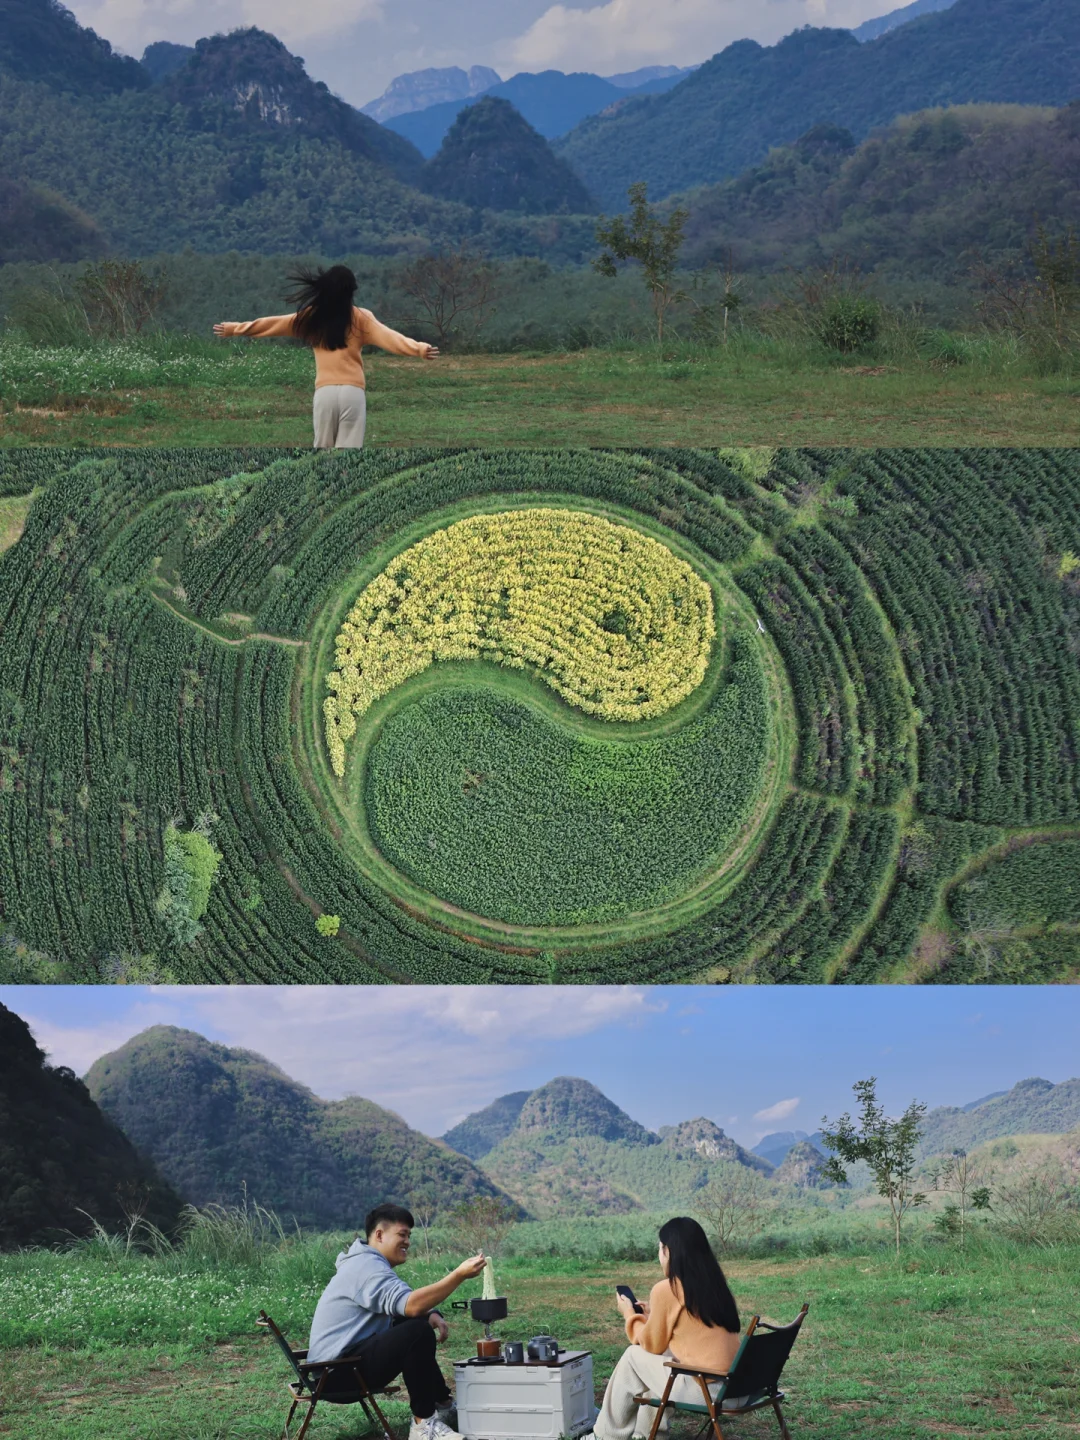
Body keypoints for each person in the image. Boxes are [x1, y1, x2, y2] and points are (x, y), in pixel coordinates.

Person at [306, 1202, 486, 1440]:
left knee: (411, 1325)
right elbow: (411, 1305)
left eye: (409, 1235)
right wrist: (458, 1275)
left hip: (337, 1368)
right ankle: (423, 1426)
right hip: (337, 1375)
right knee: (416, 1332)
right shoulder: (365, 1267)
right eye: (402, 1234)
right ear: (379, 1235)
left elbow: (399, 1304)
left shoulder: (365, 1263)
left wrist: (430, 1313)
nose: (407, 1242)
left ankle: (442, 1404)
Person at [213, 265, 438, 449]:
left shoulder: (312, 317)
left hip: (324, 394)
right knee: (348, 454)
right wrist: (419, 348)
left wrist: (235, 329)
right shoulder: (361, 318)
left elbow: (273, 324)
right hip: (353, 393)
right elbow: (391, 338)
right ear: (351, 291)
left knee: (322, 452)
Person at [590, 1217, 742, 1440]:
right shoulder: (713, 1285)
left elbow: (651, 1345)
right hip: (739, 1388)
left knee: (633, 1356)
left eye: (660, 1248)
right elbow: (687, 1328)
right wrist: (654, 1316)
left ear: (668, 1251)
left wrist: (630, 1314)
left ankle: (604, 1436)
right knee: (664, 1358)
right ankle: (647, 1434)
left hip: (709, 1391)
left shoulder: (667, 1288)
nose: (659, 1255)